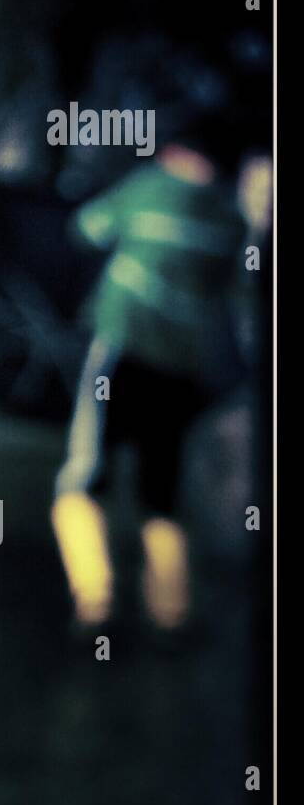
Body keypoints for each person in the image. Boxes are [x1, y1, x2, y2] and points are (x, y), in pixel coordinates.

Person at [50, 112, 249, 636]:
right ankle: (170, 612)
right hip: (184, 369)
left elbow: (84, 230)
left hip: (123, 352)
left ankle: (95, 604)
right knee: (161, 491)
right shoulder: (228, 218)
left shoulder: (147, 188)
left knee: (83, 475)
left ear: (174, 153)